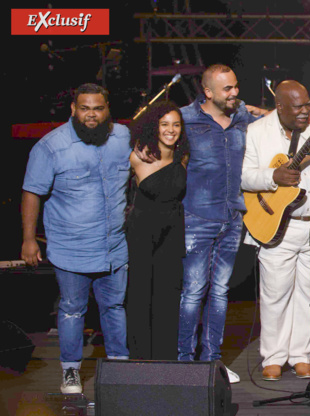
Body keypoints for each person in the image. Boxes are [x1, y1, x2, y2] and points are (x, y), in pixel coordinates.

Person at [21, 83, 130, 394]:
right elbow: (32, 193)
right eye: (84, 108)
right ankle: (70, 371)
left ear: (108, 110)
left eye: (98, 108)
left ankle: (118, 365)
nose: (91, 114)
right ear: (73, 109)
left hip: (113, 245)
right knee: (71, 309)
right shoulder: (51, 146)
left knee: (115, 307)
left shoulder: (123, 137)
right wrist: (29, 238)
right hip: (71, 247)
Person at [175, 64, 263, 382]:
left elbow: (279, 122)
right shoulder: (185, 120)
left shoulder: (242, 117)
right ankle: (185, 363)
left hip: (232, 219)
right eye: (227, 89)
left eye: (236, 86)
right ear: (208, 92)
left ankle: (212, 361)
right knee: (194, 291)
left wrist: (255, 109)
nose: (235, 93)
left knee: (221, 291)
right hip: (196, 218)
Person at [241, 80, 310, 381]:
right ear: (279, 106)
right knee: (275, 293)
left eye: (308, 104)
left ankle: (301, 354)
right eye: (298, 106)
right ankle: (274, 356)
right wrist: (273, 176)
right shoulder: (256, 132)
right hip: (278, 223)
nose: (306, 111)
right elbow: (244, 176)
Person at [126, 101, 190, 360]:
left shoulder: (182, 155)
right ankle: (140, 359)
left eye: (176, 124)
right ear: (155, 127)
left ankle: (165, 359)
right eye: (164, 124)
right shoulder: (138, 155)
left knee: (168, 298)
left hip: (172, 232)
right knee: (140, 297)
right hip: (142, 233)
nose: (171, 130)